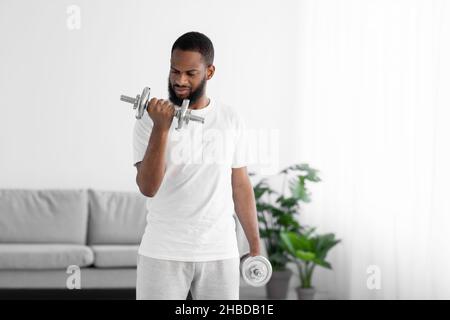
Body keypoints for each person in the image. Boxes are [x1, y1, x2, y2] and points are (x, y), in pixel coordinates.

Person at [133, 31, 260, 300]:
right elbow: (148, 187)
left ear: (209, 72)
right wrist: (161, 129)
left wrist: (255, 245)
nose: (180, 80)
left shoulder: (230, 118)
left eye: (190, 73)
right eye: (174, 70)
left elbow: (240, 185)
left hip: (219, 251)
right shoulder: (149, 119)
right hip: (162, 250)